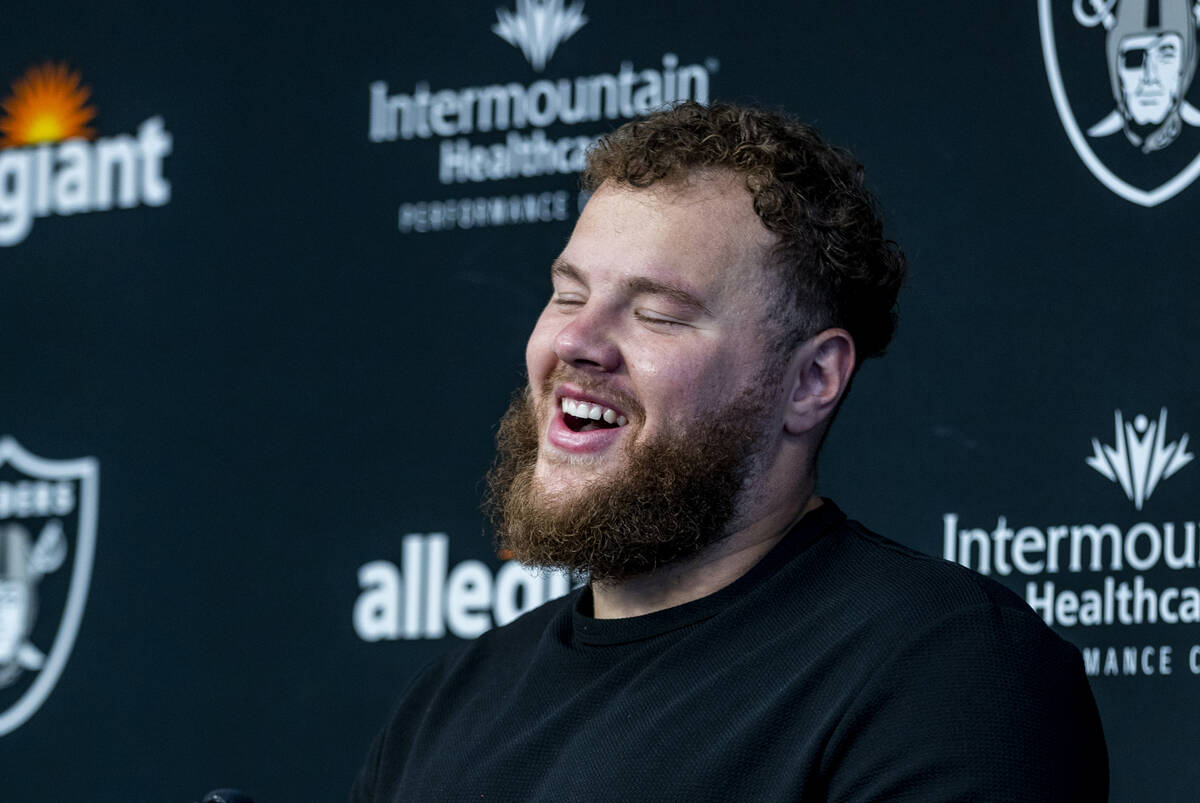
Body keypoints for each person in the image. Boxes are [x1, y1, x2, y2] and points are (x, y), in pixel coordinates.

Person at [351, 101, 1108, 801]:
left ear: (811, 380)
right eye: (570, 294)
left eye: (658, 313)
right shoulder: (450, 702)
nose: (577, 342)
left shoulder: (950, 674)